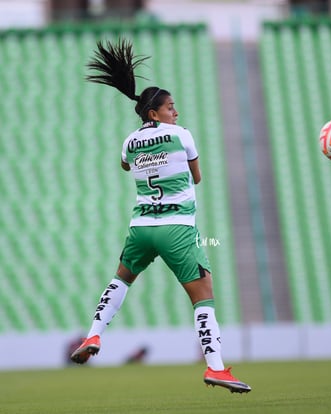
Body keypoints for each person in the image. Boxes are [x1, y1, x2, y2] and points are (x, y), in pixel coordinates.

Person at [70, 38, 251, 394]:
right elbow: (197, 177)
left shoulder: (128, 141)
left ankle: (93, 334)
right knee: (203, 296)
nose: (176, 113)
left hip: (141, 228)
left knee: (121, 280)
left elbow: (125, 165)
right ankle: (216, 368)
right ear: (155, 113)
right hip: (178, 228)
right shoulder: (181, 135)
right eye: (171, 108)